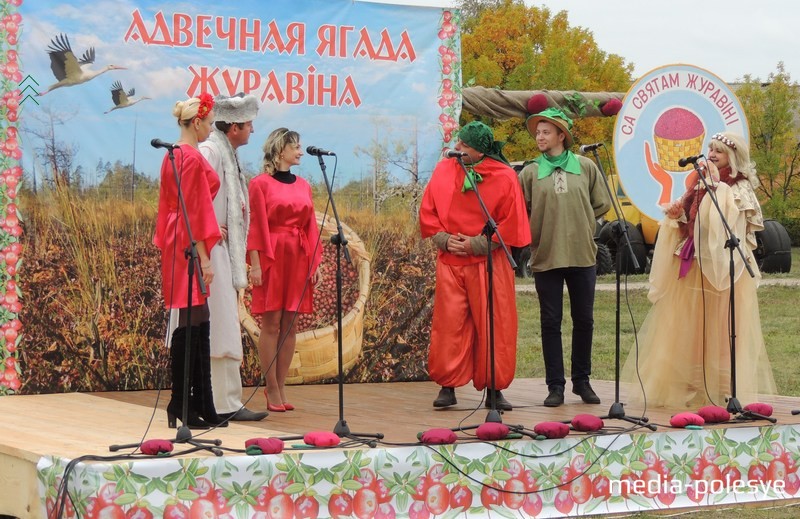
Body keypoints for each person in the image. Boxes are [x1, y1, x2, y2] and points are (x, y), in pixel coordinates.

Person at [622, 131, 776, 408]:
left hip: (727, 272)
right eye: (711, 149)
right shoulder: (700, 182)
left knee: (721, 330)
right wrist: (676, 214)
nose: (712, 154)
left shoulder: (738, 187)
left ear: (733, 157)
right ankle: (690, 385)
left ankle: (721, 388)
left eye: (719, 151)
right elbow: (692, 218)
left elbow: (726, 224)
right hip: (696, 268)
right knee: (690, 329)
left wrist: (717, 186)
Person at [419, 121, 531, 411]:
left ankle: (494, 389)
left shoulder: (505, 176)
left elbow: (512, 220)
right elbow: (428, 209)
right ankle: (448, 385)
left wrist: (477, 244)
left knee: (494, 323)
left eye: (464, 146)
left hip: (488, 262)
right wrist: (444, 240)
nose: (457, 149)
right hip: (451, 261)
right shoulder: (443, 170)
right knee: (450, 323)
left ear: (480, 150)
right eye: (458, 142)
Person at [519, 107, 612, 408]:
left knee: (584, 319)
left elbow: (600, 204)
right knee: (551, 321)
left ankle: (582, 382)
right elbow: (522, 210)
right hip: (546, 255)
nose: (539, 136)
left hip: (583, 254)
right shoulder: (530, 172)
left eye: (546, 131)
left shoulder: (585, 166)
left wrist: (579, 224)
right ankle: (555, 386)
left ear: (562, 135)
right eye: (537, 132)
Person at [154, 93, 226, 429]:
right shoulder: (191, 159)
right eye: (209, 124)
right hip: (188, 237)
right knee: (192, 313)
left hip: (176, 235)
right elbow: (196, 210)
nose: (211, 130)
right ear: (196, 122)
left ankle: (193, 402)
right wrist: (205, 257)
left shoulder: (174, 156)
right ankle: (185, 401)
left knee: (196, 314)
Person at [197, 93, 267, 422]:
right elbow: (194, 195)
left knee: (225, 324)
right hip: (210, 250)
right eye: (249, 124)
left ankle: (226, 400)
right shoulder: (211, 151)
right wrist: (210, 227)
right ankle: (219, 402)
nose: (253, 130)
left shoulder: (228, 154)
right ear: (235, 126)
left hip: (222, 250)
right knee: (219, 325)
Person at [247, 128, 322, 412]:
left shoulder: (304, 185)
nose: (301, 152)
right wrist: (255, 263)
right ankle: (271, 387)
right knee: (271, 322)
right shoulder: (259, 184)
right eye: (296, 147)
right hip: (271, 254)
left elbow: (310, 226)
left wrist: (315, 262)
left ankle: (282, 385)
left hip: (298, 255)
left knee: (291, 324)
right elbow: (255, 225)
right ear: (281, 151)